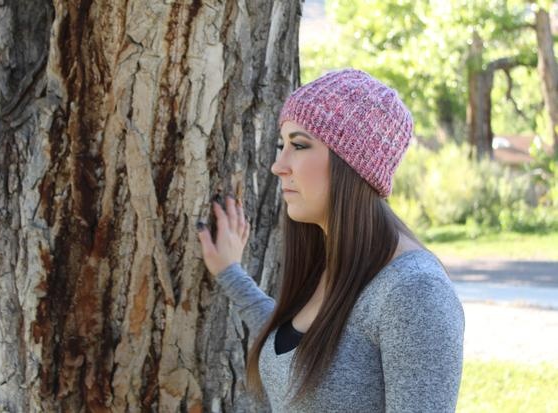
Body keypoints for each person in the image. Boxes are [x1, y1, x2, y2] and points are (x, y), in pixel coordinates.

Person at [196, 68, 465, 412]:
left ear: (352, 164)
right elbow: (297, 347)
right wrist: (230, 273)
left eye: (298, 145)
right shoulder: (334, 260)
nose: (278, 165)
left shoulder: (414, 292)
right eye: (282, 145)